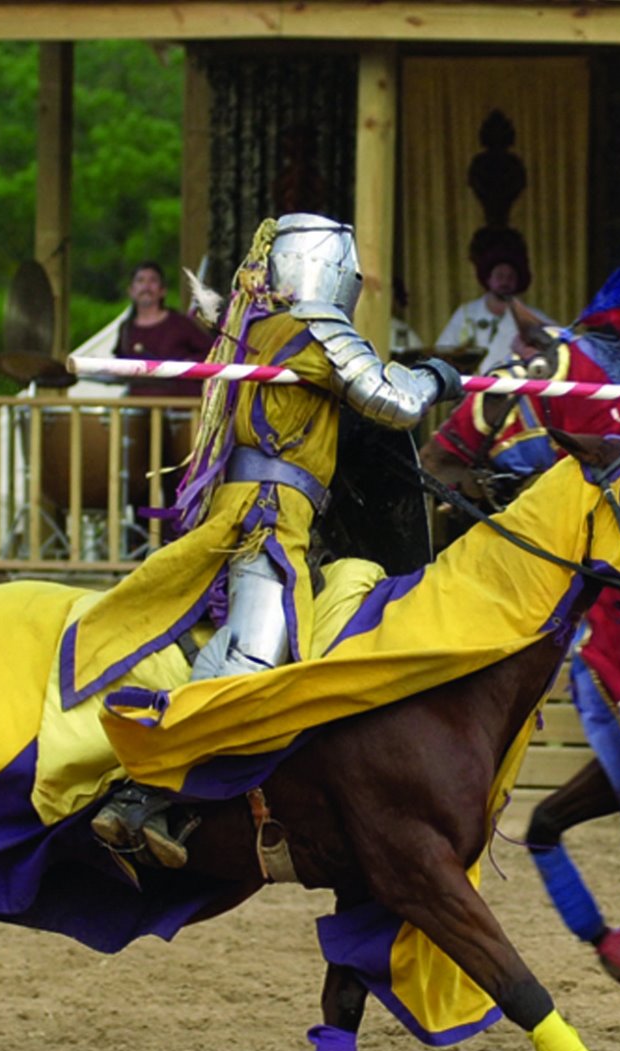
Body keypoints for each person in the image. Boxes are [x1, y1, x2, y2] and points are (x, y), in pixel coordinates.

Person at [88, 214, 461, 863]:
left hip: (259, 515)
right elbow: (389, 400)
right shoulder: (313, 328)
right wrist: (435, 377)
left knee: (232, 651)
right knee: (258, 664)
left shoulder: (250, 330)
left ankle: (174, 801)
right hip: (267, 517)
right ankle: (140, 791)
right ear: (331, 269)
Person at [434, 228, 549, 373]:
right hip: (471, 390)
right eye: (500, 276)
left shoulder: (532, 318)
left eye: (510, 277)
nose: (505, 282)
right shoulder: (466, 313)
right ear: (488, 279)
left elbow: (555, 344)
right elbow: (442, 351)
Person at [115, 262, 212, 398]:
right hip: (139, 408)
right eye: (140, 280)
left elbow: (211, 352)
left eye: (153, 280)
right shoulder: (126, 329)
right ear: (131, 291)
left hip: (180, 410)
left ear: (162, 291)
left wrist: (186, 365)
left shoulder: (181, 323)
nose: (146, 286)